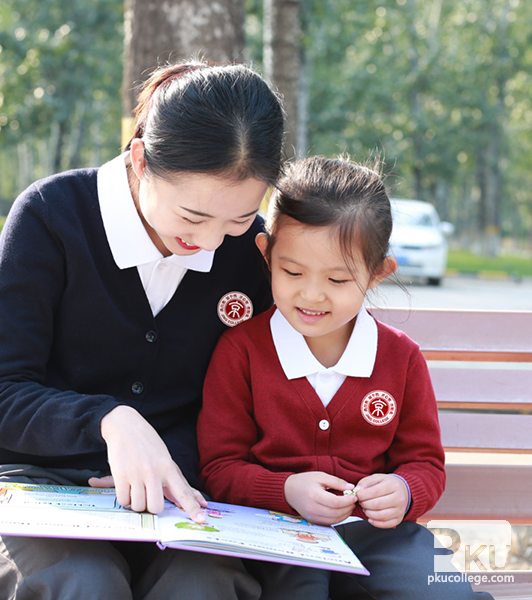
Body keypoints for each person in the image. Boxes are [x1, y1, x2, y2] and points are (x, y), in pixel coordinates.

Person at [0, 60, 285, 600]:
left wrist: (174, 463)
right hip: (22, 485)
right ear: (141, 160)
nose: (214, 242)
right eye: (193, 217)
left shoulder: (250, 251)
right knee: (88, 582)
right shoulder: (52, 215)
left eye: (239, 219)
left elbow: (253, 405)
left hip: (176, 499)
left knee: (207, 583)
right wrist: (109, 420)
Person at [197, 156, 494, 599]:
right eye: (292, 272)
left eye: (337, 279)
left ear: (378, 274)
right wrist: (287, 489)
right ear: (267, 254)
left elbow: (425, 465)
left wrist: (404, 491)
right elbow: (219, 470)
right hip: (273, 535)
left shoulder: (401, 359)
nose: (311, 294)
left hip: (379, 538)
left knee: (440, 592)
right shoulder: (241, 351)